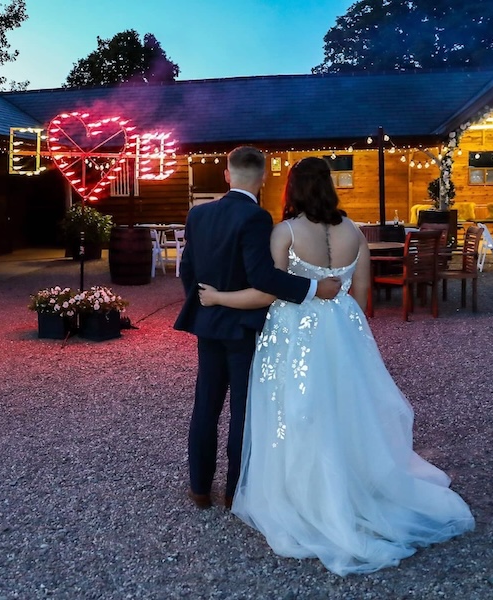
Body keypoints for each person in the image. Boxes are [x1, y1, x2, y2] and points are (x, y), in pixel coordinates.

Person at [198, 157, 474, 576]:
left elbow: (267, 293)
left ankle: (301, 493)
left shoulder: (285, 231)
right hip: (344, 332)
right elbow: (361, 294)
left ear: (292, 189)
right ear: (329, 187)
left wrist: (218, 299)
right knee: (344, 408)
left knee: (296, 409)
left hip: (294, 335)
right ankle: (353, 484)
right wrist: (345, 329)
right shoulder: (355, 233)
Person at [174, 146, 342, 510]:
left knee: (206, 405)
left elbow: (187, 269)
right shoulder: (256, 217)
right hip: (244, 326)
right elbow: (264, 278)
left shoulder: (198, 214)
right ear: (263, 177)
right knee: (242, 409)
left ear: (227, 175)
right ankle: (236, 490)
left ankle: (200, 488)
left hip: (209, 323)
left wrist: (204, 301)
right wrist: (315, 288)